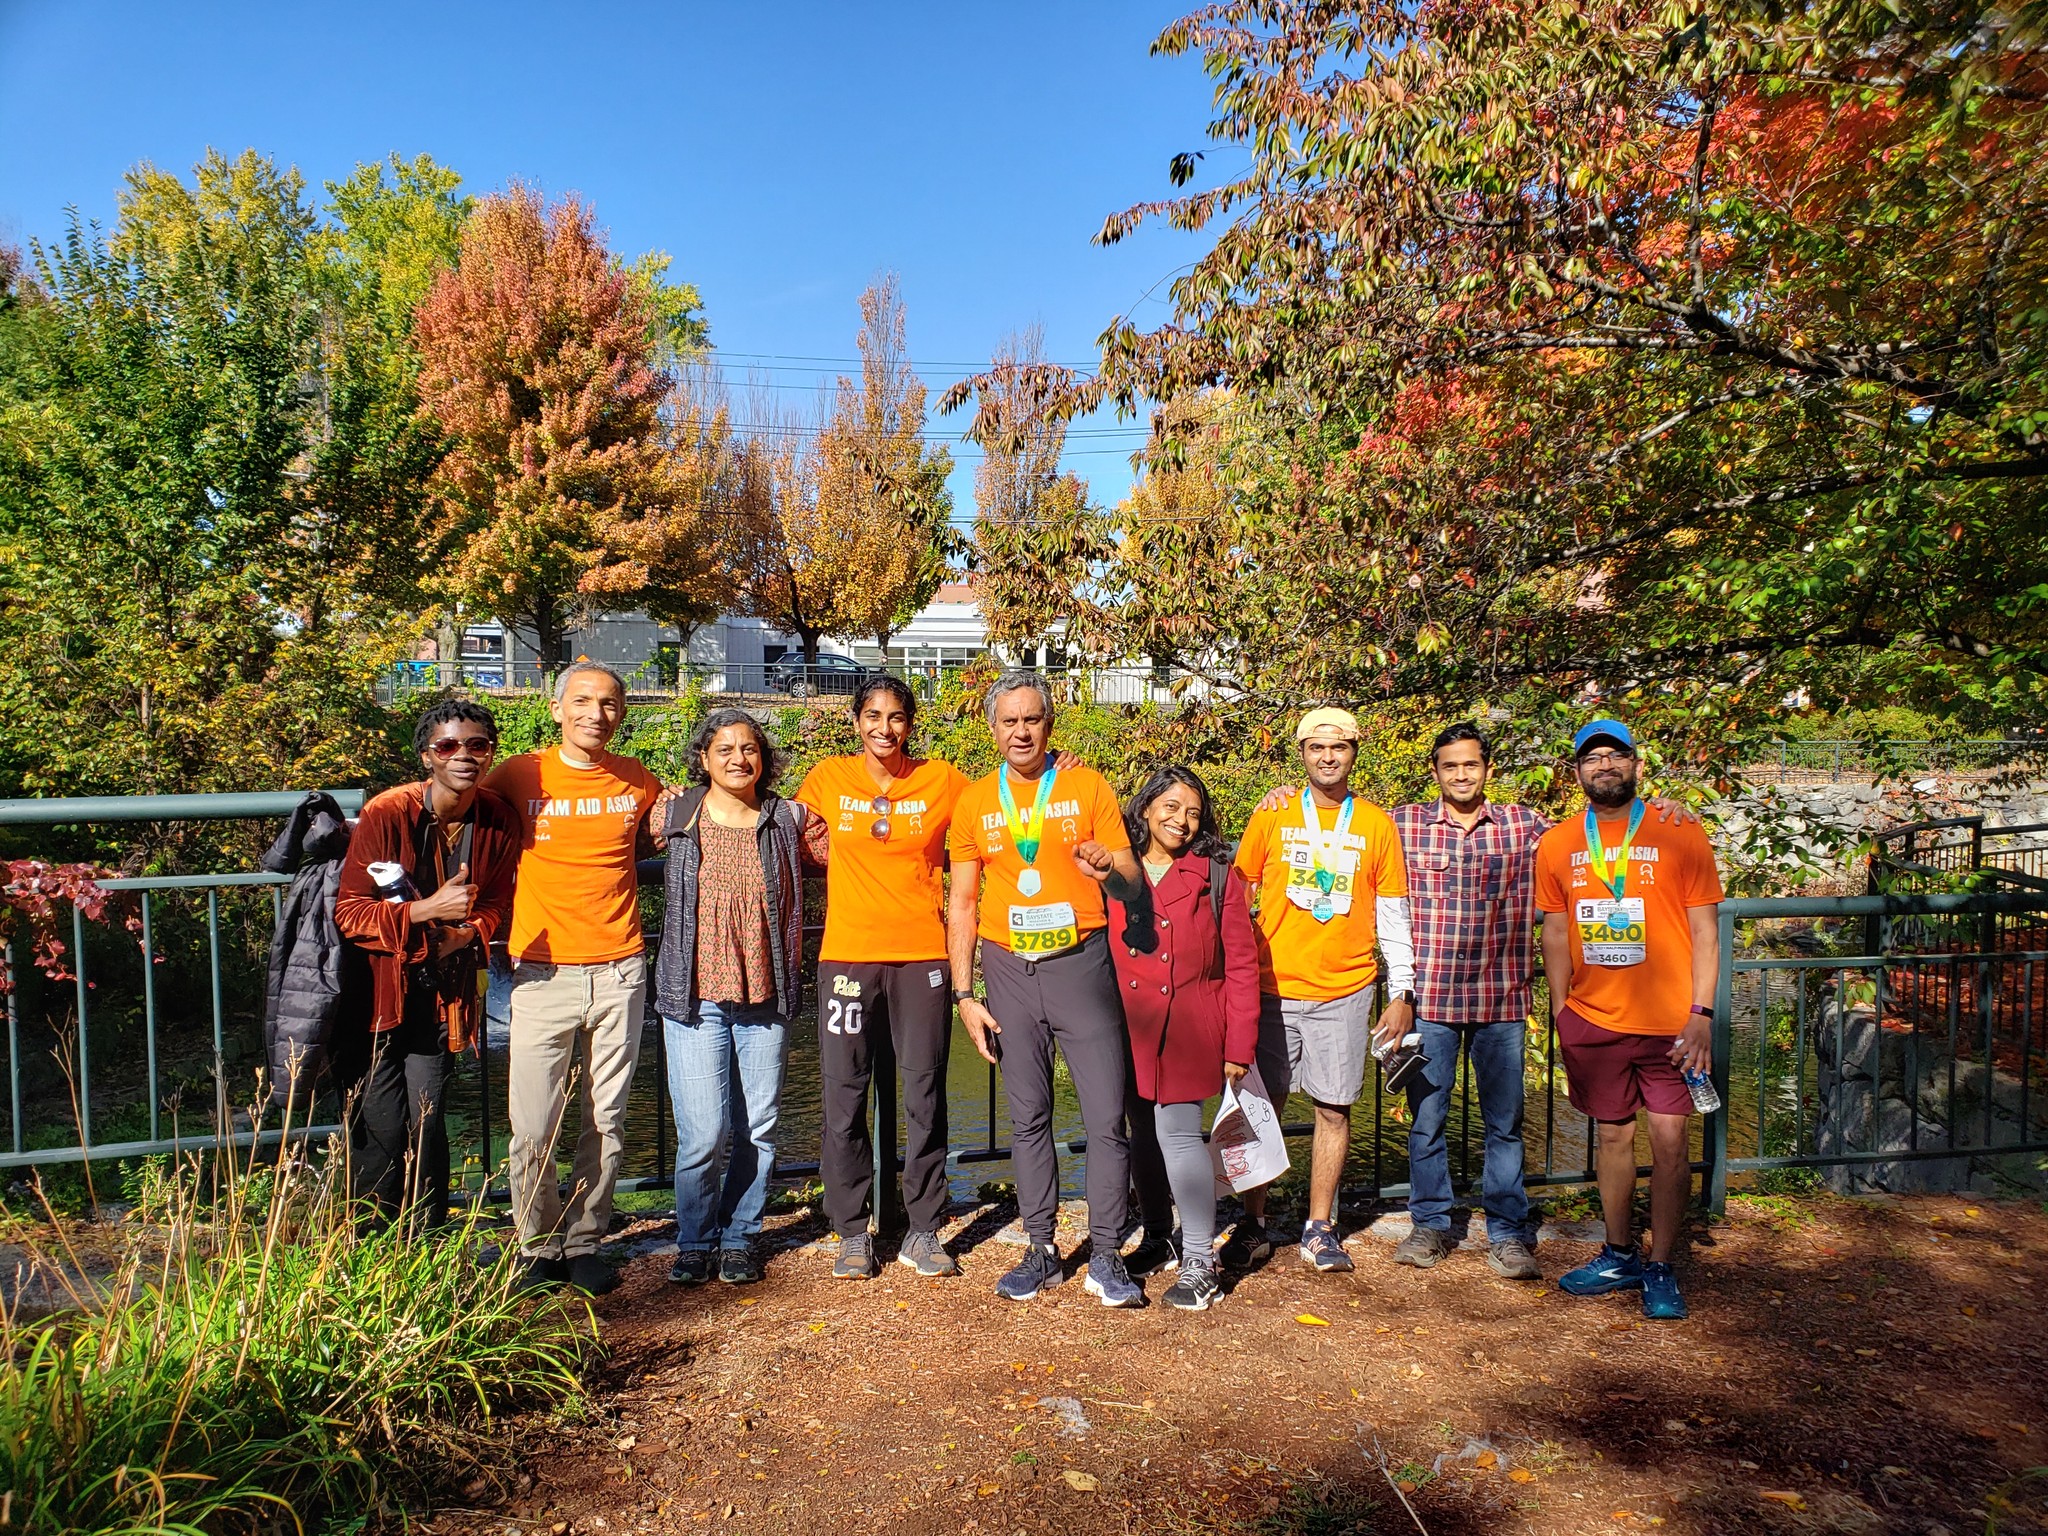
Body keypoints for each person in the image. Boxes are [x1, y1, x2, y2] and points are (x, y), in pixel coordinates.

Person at [1387, 722, 1696, 1280]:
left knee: (1505, 1125)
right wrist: (1285, 796)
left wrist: (1660, 810)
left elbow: (1600, 828)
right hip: (1429, 1001)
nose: (1461, 775)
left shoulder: (1526, 825)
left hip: (1503, 999)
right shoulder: (1403, 824)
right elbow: (1353, 838)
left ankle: (1507, 1232)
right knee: (1426, 1121)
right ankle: (1429, 1224)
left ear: (1487, 769)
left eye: (1471, 764)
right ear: (1435, 772)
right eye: (1450, 766)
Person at [947, 670, 1150, 1306]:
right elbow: (962, 903)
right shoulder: (975, 802)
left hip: (1080, 964)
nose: (1021, 731)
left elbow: (1131, 884)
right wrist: (964, 995)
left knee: (1105, 1115)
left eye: (1031, 719)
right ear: (992, 728)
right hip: (1008, 969)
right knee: (1028, 1115)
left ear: (1049, 724)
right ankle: (1041, 1248)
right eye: (1009, 721)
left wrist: (1107, 869)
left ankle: (1107, 1253)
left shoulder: (1087, 786)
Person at [485, 663, 668, 1295]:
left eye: (610, 703)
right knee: (534, 1124)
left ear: (622, 713)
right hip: (542, 974)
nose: (596, 714)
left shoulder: (637, 778)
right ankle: (536, 1243)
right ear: (557, 708)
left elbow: (670, 824)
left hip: (621, 969)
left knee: (605, 1119)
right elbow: (459, 810)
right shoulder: (519, 774)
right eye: (583, 701)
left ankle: (586, 1239)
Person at [1536, 718, 1724, 1321]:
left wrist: (1701, 1014)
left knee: (1670, 1141)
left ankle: (1661, 1263)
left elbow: (1705, 931)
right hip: (1594, 1019)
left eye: (1616, 754)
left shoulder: (1679, 829)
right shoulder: (1558, 842)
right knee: (1613, 1137)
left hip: (1672, 1024)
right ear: (1577, 772)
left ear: (1637, 764)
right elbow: (1556, 932)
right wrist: (1562, 1010)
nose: (1605, 765)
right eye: (1592, 758)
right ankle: (1619, 1252)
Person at [1226, 707, 1415, 1275]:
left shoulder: (1376, 824)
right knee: (1260, 1108)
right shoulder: (1272, 813)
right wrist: (1230, 975)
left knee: (1334, 1109)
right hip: (1271, 988)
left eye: (1339, 747)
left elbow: (1393, 913)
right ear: (1302, 753)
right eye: (1316, 747)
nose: (1327, 756)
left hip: (1345, 989)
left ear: (1354, 752)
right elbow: (1238, 896)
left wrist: (1402, 990)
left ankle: (1319, 1227)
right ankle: (1253, 1224)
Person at [793, 677, 970, 1280]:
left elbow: (999, 803)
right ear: (856, 721)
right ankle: (851, 1230)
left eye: (896, 717)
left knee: (925, 1095)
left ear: (910, 724)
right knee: (844, 1096)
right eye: (872, 715)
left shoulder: (942, 780)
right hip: (847, 957)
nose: (883, 728)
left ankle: (923, 1228)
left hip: (922, 958)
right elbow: (781, 828)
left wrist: (1054, 768)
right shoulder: (827, 778)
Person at [334, 700, 519, 1230]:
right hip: (375, 995)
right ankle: (369, 1242)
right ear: (427, 757)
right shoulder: (388, 812)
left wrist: (465, 933)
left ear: (490, 754)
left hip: (442, 996)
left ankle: (427, 1243)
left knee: (427, 1121)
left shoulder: (497, 819)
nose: (464, 756)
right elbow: (350, 913)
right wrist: (426, 911)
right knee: (381, 1125)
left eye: (477, 745)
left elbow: (495, 902)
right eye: (448, 746)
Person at [654, 708, 809, 1286]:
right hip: (694, 994)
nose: (738, 759)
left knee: (758, 1127)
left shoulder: (787, 817)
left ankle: (740, 1236)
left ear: (763, 758)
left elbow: (856, 842)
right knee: (702, 1133)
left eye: (749, 748)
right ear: (703, 758)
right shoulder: (675, 814)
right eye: (724, 749)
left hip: (765, 992)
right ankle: (695, 1240)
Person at [1107, 766, 1260, 1311]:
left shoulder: (1215, 871)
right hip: (1127, 1024)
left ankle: (1200, 1259)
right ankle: (1158, 1236)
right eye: (1171, 807)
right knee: (1141, 1135)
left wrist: (1239, 1045)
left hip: (1188, 1024)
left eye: (1193, 812)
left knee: (1176, 1134)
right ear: (1146, 807)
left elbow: (1241, 963)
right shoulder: (1117, 866)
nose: (1182, 820)